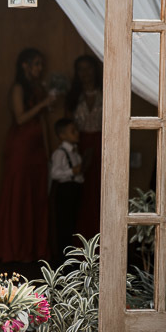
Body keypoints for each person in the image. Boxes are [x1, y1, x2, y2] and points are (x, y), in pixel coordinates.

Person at [0, 48, 55, 262]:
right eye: (36, 64)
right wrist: (43, 104)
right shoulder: (18, 88)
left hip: (37, 148)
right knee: (18, 195)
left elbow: (43, 121)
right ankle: (13, 249)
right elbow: (20, 118)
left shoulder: (38, 87)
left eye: (41, 64)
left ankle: (33, 249)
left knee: (37, 196)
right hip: (21, 147)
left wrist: (48, 150)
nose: (40, 68)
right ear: (25, 65)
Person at [65, 54, 102, 239]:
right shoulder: (73, 97)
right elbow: (67, 126)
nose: (85, 73)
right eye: (81, 69)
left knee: (100, 191)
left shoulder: (106, 92)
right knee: (82, 193)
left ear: (95, 70)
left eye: (88, 68)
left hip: (102, 145)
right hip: (79, 146)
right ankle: (81, 241)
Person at [49, 118, 84, 263]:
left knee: (72, 225)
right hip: (65, 191)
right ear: (62, 135)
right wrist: (72, 171)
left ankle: (71, 258)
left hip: (75, 189)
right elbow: (54, 173)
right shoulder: (60, 153)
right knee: (64, 225)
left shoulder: (75, 152)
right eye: (72, 131)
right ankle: (62, 260)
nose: (77, 133)